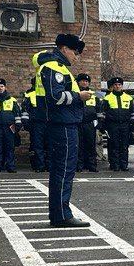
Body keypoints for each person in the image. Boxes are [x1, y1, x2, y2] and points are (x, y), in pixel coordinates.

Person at [36, 33, 92, 227]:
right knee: (64, 170)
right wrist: (79, 97)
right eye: (75, 52)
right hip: (62, 124)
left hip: (64, 123)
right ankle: (61, 215)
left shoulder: (56, 67)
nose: (76, 57)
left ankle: (60, 213)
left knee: (63, 170)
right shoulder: (54, 67)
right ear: (64, 49)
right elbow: (55, 97)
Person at [101, 76, 134, 171]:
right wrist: (103, 125)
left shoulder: (128, 98)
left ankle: (124, 165)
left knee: (124, 145)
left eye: (119, 85)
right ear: (113, 86)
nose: (117, 86)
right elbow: (103, 113)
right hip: (112, 125)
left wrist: (133, 124)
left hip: (125, 124)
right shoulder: (107, 98)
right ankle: (114, 165)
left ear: (122, 86)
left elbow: (132, 112)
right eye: (115, 85)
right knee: (113, 145)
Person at [73, 73, 101, 172]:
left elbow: (98, 110)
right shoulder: (75, 94)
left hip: (90, 123)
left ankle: (92, 165)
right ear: (78, 82)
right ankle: (79, 165)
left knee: (91, 145)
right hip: (78, 123)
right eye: (82, 81)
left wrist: (98, 123)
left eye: (86, 81)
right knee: (79, 144)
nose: (84, 83)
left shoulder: (94, 95)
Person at [21, 86, 47, 171]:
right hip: (36, 123)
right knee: (37, 145)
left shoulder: (50, 92)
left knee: (50, 145)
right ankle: (39, 166)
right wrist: (26, 123)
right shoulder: (30, 94)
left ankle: (49, 166)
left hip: (49, 123)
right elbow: (25, 109)